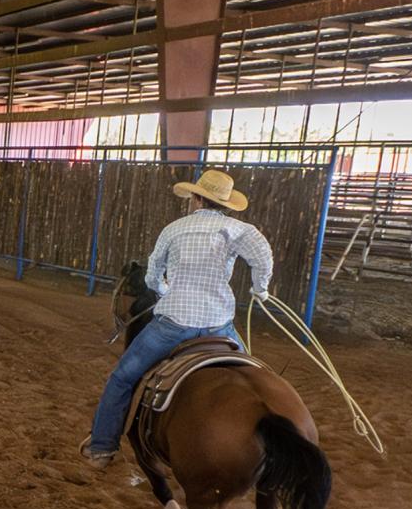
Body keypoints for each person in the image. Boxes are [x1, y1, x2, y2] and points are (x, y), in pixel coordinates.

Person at [80, 168, 274, 469]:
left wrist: (163, 289)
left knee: (122, 378)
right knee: (254, 378)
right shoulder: (238, 230)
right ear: (224, 203)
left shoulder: (173, 229)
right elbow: (263, 254)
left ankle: (101, 447)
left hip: (173, 325)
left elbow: (153, 275)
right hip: (218, 325)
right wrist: (260, 289)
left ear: (196, 198)